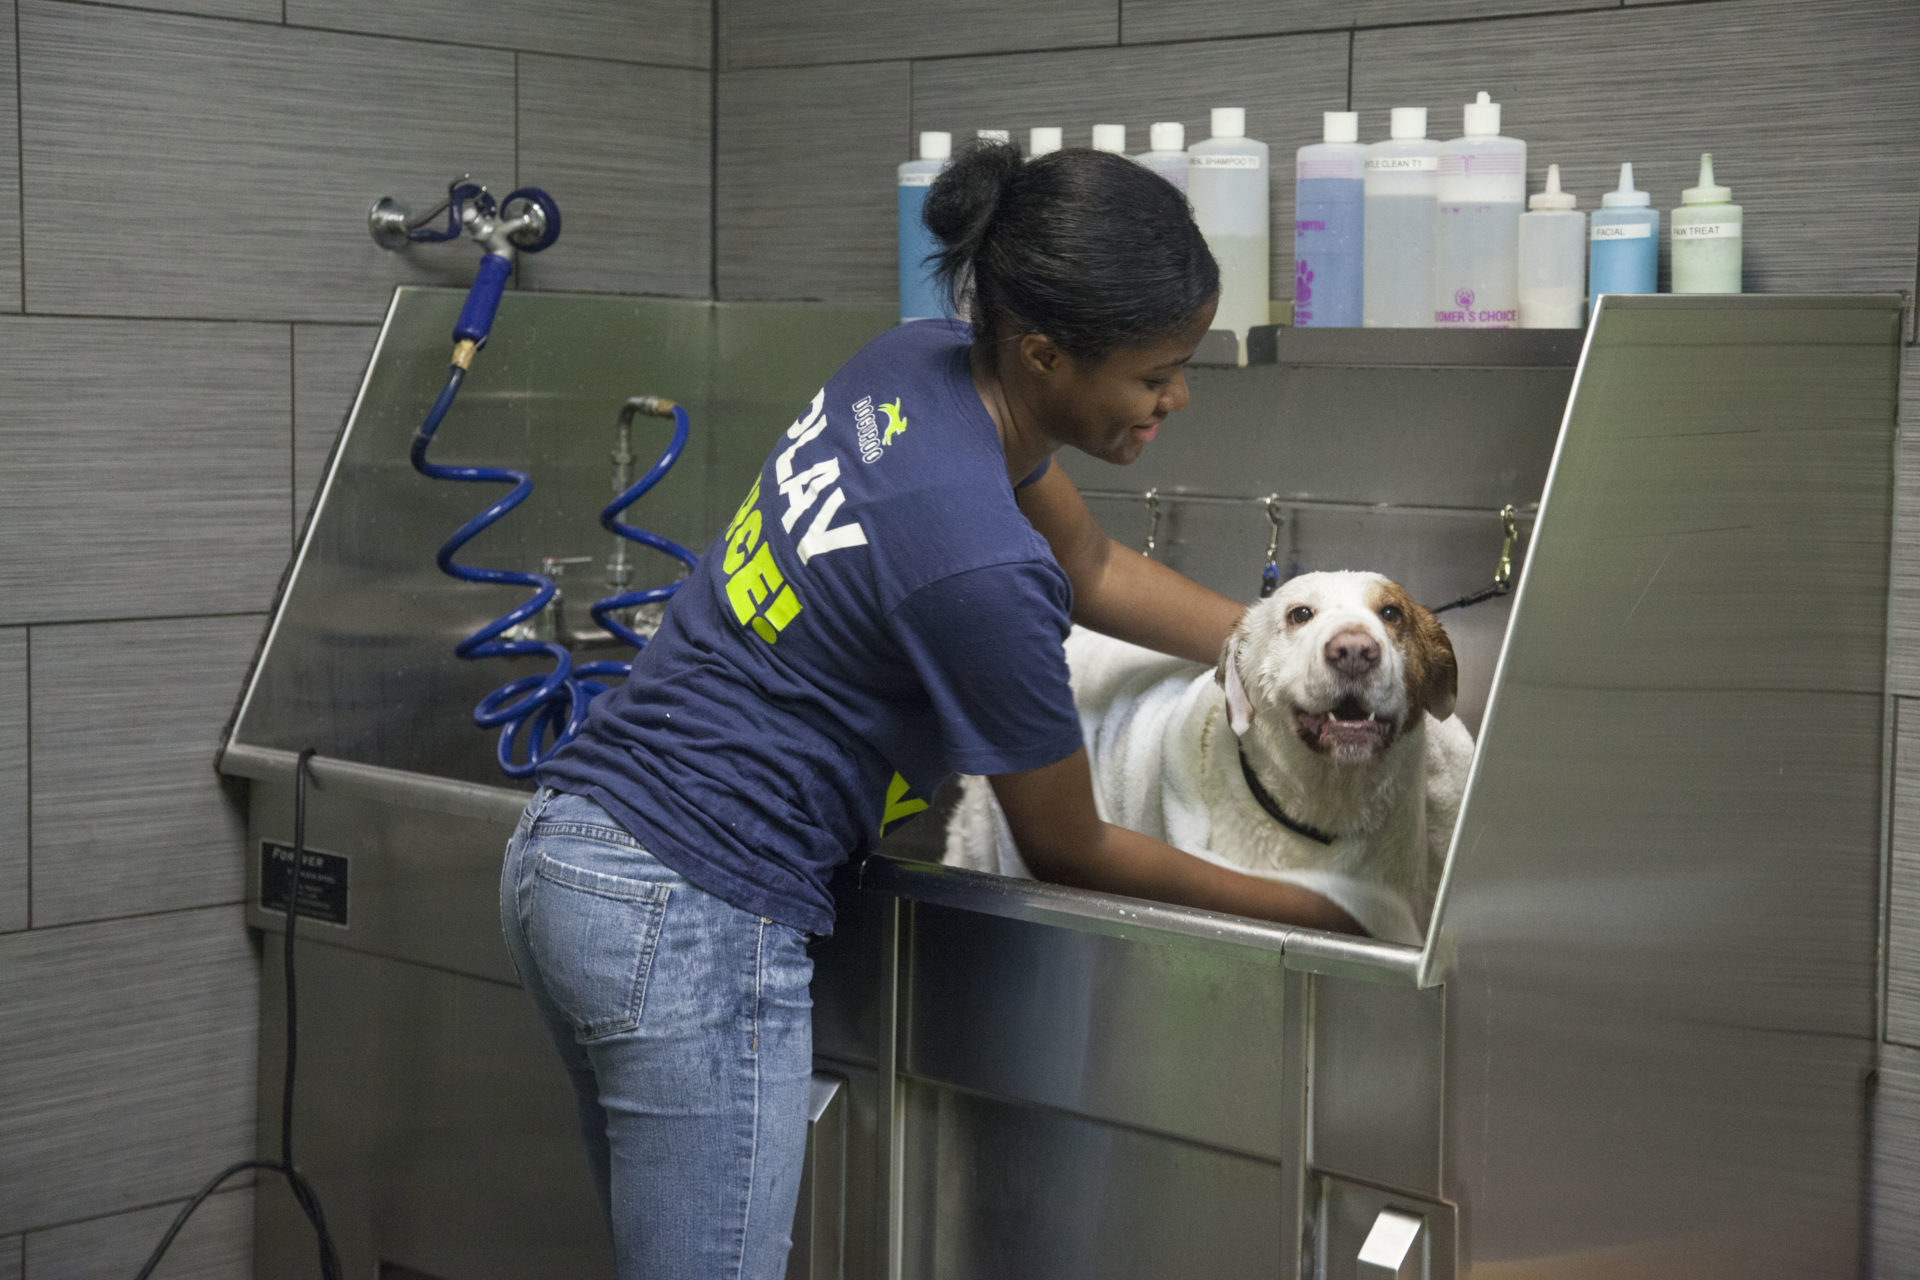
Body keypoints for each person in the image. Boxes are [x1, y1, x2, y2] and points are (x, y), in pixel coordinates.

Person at [498, 140, 1357, 1280]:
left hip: (571, 851)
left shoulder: (911, 365)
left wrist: (1274, 649)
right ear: (1046, 352)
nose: (1177, 396)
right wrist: (1311, 908)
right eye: (1157, 373)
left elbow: (1092, 559)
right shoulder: (979, 570)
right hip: (690, 909)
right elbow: (1068, 843)